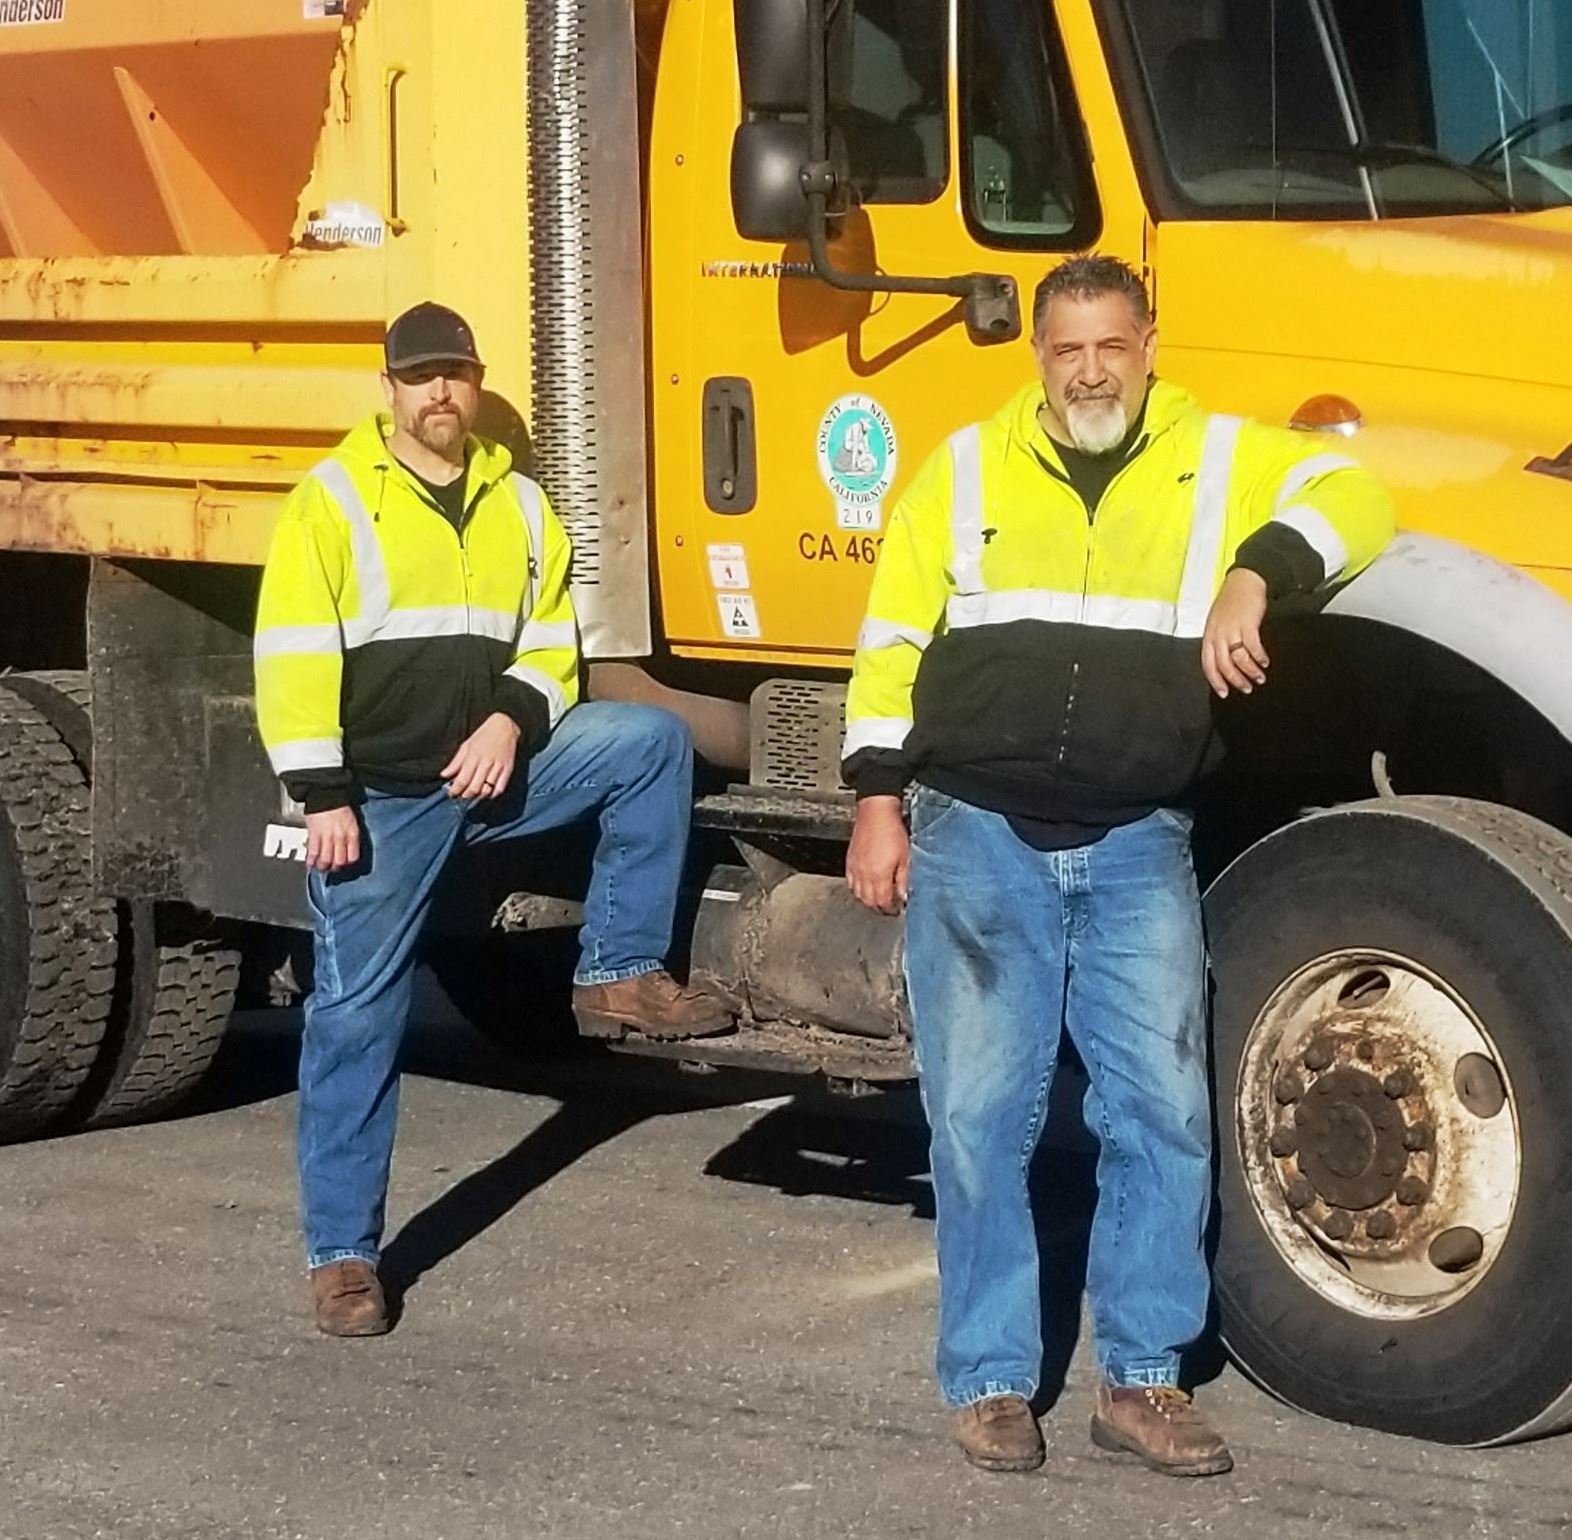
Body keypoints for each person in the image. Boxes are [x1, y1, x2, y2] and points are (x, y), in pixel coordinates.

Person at [841, 255, 1395, 1476]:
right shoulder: (968, 467)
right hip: (976, 825)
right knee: (983, 1117)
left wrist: (1257, 572)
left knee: (1162, 1114)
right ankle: (990, 1378)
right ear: (1037, 358)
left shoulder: (1220, 457)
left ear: (1149, 341)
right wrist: (877, 800)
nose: (1090, 369)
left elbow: (1360, 497)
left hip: (1140, 832)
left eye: (1111, 345)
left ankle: (1141, 1380)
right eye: (1065, 349)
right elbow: (887, 644)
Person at [255, 301, 731, 1337]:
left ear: (475, 386)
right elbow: (290, 659)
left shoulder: (516, 503)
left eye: (455, 376)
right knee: (354, 1018)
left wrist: (513, 724)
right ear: (389, 391)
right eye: (419, 377)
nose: (439, 394)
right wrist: (323, 795)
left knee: (645, 745)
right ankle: (342, 1256)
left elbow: (551, 637)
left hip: (493, 772)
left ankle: (617, 969)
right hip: (380, 798)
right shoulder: (333, 502)